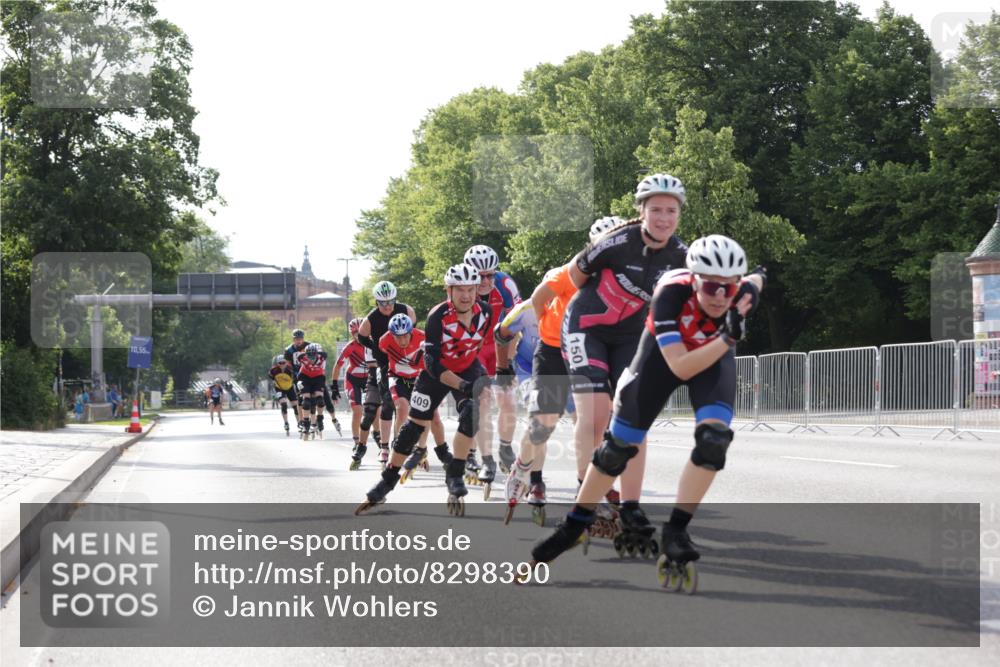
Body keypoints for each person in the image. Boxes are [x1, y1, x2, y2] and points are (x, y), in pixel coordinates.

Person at [531, 236, 765, 573]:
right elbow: (680, 365)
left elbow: (757, 279)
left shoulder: (741, 295)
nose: (719, 297)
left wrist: (759, 276)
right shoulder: (669, 293)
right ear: (694, 278)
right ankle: (574, 524)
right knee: (617, 448)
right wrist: (728, 337)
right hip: (662, 358)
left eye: (728, 289)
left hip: (713, 359)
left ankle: (677, 531)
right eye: (710, 287)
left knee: (714, 442)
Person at [561, 174, 690, 543]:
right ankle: (587, 495)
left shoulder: (682, 256)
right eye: (655, 210)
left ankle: (630, 505)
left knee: (634, 415)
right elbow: (574, 276)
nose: (663, 218)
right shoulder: (616, 241)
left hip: (631, 335)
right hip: (586, 326)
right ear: (642, 211)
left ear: (678, 214)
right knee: (596, 413)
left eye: (671, 211)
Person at [503, 217, 622, 525]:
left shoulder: (623, 278)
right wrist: (550, 330)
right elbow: (538, 300)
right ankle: (523, 465)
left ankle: (589, 489)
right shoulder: (567, 273)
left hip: (591, 350)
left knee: (593, 422)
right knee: (544, 421)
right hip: (555, 349)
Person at [355, 264, 493, 516]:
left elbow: (478, 346)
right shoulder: (438, 316)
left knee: (472, 412)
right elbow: (431, 363)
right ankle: (387, 481)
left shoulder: (486, 312)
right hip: (436, 373)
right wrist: (462, 384)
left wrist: (482, 376)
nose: (466, 295)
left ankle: (455, 473)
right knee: (412, 428)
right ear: (448, 290)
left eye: (471, 289)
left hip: (467, 367)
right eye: (459, 289)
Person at [463, 245, 520, 487]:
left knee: (508, 401)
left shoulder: (506, 285)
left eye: (490, 274)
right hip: (474, 348)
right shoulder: (462, 287)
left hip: (500, 345)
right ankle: (474, 454)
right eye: (480, 275)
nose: (486, 280)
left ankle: (505, 449)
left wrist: (508, 362)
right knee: (481, 402)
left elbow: (517, 323)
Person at [377, 313, 451, 482]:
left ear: (411, 332)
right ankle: (399, 446)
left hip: (419, 379)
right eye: (398, 337)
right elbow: (382, 356)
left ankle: (421, 448)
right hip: (397, 377)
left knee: (432, 417)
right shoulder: (384, 340)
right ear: (391, 335)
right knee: (402, 407)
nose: (402, 341)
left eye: (405, 336)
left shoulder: (422, 337)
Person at [357, 281, 417, 461]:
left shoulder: (406, 310)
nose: (388, 306)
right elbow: (361, 336)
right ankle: (384, 446)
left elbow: (414, 330)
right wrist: (376, 347)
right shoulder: (372, 318)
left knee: (410, 404)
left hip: (408, 362)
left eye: (391, 301)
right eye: (383, 303)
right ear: (376, 302)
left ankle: (407, 441)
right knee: (388, 403)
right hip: (385, 364)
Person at [333, 319, 370, 466]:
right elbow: (337, 366)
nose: (357, 336)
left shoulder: (372, 343)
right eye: (354, 334)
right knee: (357, 411)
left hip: (369, 379)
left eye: (359, 332)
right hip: (352, 379)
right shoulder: (349, 347)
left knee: (373, 411)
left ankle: (381, 441)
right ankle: (357, 442)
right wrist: (334, 387)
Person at [296, 343, 328, 440]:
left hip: (318, 377)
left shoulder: (322, 356)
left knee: (320, 400)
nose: (311, 358)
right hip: (305, 377)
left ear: (317, 354)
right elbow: (298, 371)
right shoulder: (301, 357)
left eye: (313, 356)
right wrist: (298, 382)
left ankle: (320, 419)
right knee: (306, 402)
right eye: (308, 356)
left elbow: (323, 367)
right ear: (305, 355)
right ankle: (306, 423)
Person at [284, 329, 310, 434]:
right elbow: (288, 364)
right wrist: (294, 374)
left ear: (303, 339)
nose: (299, 341)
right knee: (300, 398)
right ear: (293, 339)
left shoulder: (309, 346)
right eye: (296, 339)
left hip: (309, 374)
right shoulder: (289, 350)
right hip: (297, 376)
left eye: (300, 339)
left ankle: (313, 418)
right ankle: (301, 420)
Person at [269, 354, 299, 436]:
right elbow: (271, 377)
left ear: (286, 362)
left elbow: (296, 378)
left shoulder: (291, 369)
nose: (282, 365)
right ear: (277, 363)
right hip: (279, 388)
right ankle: (286, 422)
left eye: (283, 363)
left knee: (295, 407)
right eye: (280, 363)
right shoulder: (273, 370)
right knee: (284, 404)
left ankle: (299, 422)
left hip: (289, 388)